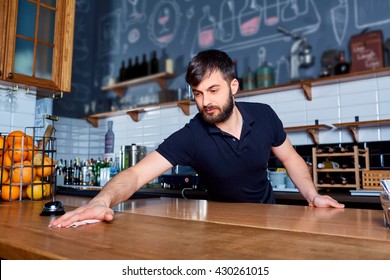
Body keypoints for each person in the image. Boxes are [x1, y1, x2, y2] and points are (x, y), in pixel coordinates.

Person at [50, 49, 344, 228]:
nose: (205, 102)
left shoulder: (265, 115)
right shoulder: (192, 135)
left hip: (268, 216)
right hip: (218, 224)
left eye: (213, 90)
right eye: (198, 93)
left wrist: (312, 195)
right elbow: (137, 174)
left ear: (234, 86)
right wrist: (102, 201)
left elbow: (290, 157)